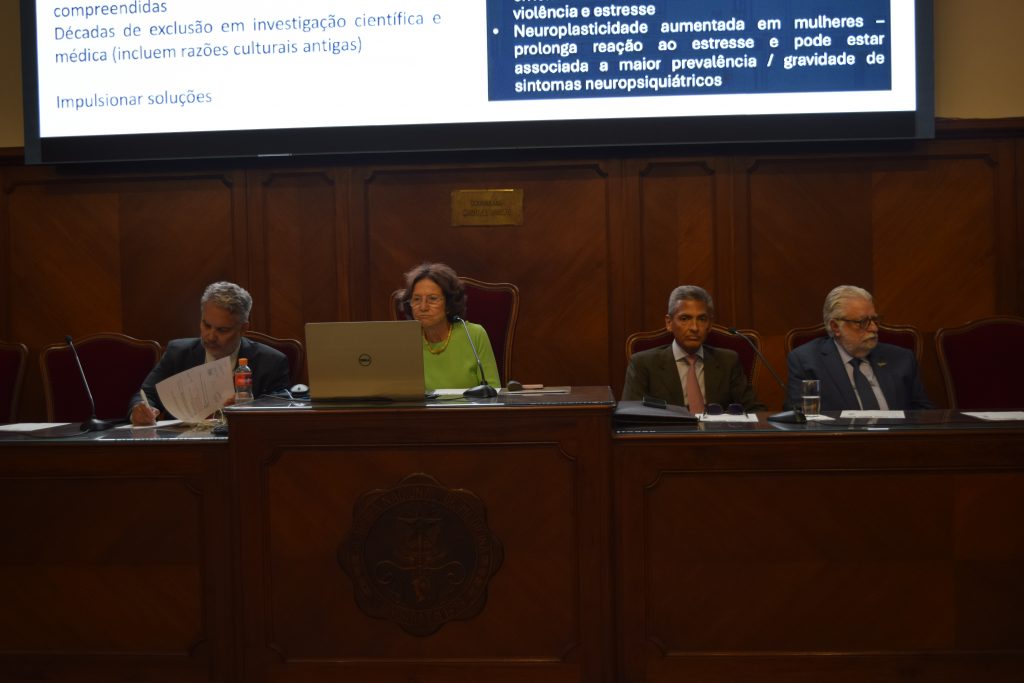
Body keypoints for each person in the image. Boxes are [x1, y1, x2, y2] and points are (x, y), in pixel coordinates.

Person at [128, 281, 291, 425]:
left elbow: (281, 410)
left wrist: (249, 408)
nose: (210, 336)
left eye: (222, 330)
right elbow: (145, 395)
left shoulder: (271, 362)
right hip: (182, 448)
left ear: (243, 329)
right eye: (206, 325)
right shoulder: (178, 353)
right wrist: (140, 410)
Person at [786, 285, 932, 411]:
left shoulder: (902, 359)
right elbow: (801, 419)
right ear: (835, 327)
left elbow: (923, 413)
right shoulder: (807, 362)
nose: (874, 328)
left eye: (874, 320)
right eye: (862, 322)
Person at [622, 285, 765, 412]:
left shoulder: (728, 361)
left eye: (702, 319)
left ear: (709, 324)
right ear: (669, 323)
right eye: (685, 319)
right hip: (667, 440)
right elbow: (630, 415)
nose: (694, 328)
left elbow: (754, 410)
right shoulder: (643, 364)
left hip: (718, 439)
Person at [397, 262, 500, 391]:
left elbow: (493, 391)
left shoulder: (474, 335)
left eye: (432, 299)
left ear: (449, 304)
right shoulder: (405, 341)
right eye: (417, 299)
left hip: (468, 411)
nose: (423, 307)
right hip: (421, 411)